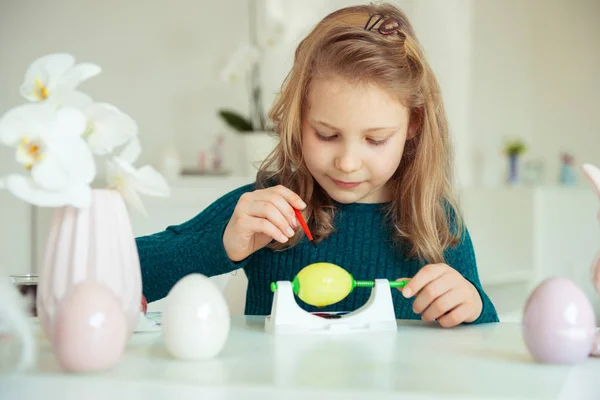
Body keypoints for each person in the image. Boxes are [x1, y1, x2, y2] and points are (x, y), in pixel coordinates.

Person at [136, 3, 499, 327]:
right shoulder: (268, 209)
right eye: (326, 135)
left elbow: (483, 329)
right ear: (298, 118)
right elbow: (124, 269)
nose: (347, 163)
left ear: (414, 124)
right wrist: (222, 246)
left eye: (375, 140)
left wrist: (472, 305)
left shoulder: (435, 221)